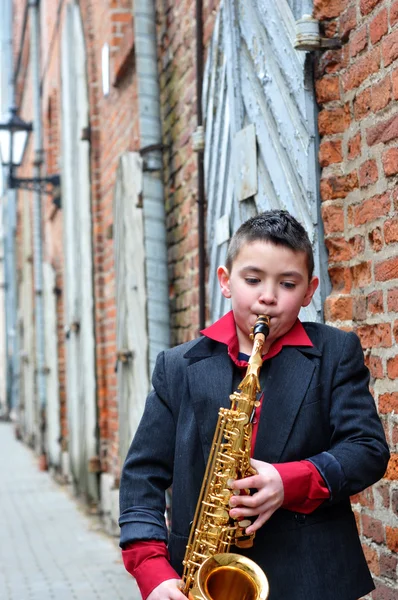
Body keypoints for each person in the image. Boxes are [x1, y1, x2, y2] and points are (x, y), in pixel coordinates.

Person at [119, 209, 390, 600]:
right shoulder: (177, 366)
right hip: (198, 577)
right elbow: (142, 477)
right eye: (252, 279)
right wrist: (152, 570)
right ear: (226, 282)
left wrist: (288, 481)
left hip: (314, 580)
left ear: (310, 291)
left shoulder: (335, 352)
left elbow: (367, 450)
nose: (268, 296)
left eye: (287, 284)